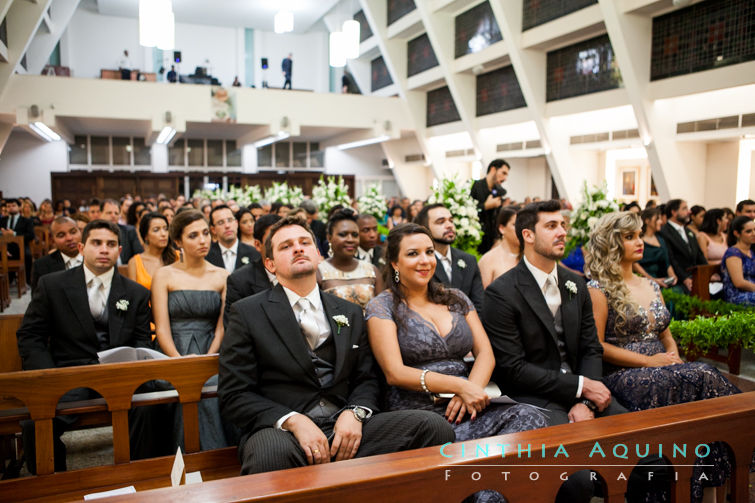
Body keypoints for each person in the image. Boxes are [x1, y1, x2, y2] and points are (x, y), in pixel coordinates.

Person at [218, 215, 454, 475]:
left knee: (433, 428)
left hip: (346, 425)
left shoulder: (349, 312)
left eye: (304, 242)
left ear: (318, 256)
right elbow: (234, 394)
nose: (297, 248)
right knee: (269, 455)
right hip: (283, 432)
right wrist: (292, 421)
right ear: (270, 264)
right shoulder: (248, 312)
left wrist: (356, 413)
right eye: (286, 246)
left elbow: (366, 378)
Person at [585, 211, 741, 503]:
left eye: (639, 234)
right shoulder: (598, 289)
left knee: (702, 409)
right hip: (626, 374)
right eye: (630, 237)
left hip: (664, 370)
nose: (639, 242)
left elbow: (665, 334)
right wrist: (650, 362)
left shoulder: (651, 285)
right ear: (612, 244)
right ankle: (743, 439)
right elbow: (597, 346)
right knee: (705, 375)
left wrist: (673, 357)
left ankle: (709, 482)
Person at [482, 200, 627, 503]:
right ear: (528, 235)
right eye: (551, 226)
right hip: (535, 397)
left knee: (649, 460)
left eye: (563, 225)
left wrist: (585, 396)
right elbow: (513, 369)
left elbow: (590, 347)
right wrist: (579, 388)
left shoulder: (576, 284)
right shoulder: (502, 293)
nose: (562, 232)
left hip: (583, 391)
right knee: (577, 480)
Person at [366, 223, 547, 441]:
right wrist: (460, 386)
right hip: (418, 411)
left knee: (530, 417)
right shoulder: (382, 306)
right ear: (395, 263)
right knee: (447, 440)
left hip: (466, 403)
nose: (425, 260)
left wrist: (470, 391)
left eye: (429, 252)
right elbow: (395, 372)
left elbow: (485, 353)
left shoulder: (455, 298)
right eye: (413, 254)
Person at [17, 220, 163, 471]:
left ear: (119, 251)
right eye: (97, 243)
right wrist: (47, 376)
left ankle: (140, 475)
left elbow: (141, 340)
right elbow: (30, 335)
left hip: (118, 376)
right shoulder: (53, 285)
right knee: (36, 421)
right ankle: (53, 486)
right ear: (83, 247)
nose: (104, 249)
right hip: (68, 375)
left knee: (151, 405)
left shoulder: (136, 293)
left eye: (111, 244)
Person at [151, 210, 229, 450]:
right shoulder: (164, 275)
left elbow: (222, 328)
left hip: (211, 350)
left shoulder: (223, 275)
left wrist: (207, 360)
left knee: (212, 385)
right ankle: (182, 460)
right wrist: (180, 363)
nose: (202, 240)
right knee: (182, 386)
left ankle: (213, 461)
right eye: (193, 235)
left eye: (206, 233)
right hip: (172, 351)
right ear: (178, 242)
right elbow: (162, 329)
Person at [414, 204, 484, 312]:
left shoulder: (469, 260)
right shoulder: (421, 263)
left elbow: (479, 306)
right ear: (425, 229)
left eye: (451, 220)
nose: (449, 225)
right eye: (441, 222)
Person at [318, 209, 383, 310]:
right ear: (329, 237)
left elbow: (382, 312)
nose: (350, 239)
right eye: (343, 235)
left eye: (355, 235)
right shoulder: (319, 272)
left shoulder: (372, 270)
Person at [224, 214, 281, 326]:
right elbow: (235, 332)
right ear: (258, 245)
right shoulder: (239, 282)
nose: (280, 246)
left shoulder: (300, 272)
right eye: (271, 242)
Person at [658, 199, 706, 293]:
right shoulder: (664, 232)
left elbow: (699, 254)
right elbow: (671, 259)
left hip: (695, 276)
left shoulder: (689, 231)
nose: (688, 212)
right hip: (679, 280)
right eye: (684, 209)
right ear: (674, 212)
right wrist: (684, 278)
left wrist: (708, 272)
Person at [127, 212, 177, 291]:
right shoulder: (135, 262)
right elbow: (133, 296)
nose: (163, 234)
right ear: (146, 236)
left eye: (166, 229)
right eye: (156, 230)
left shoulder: (177, 256)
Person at [31, 216, 82, 291]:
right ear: (52, 240)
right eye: (61, 235)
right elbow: (38, 300)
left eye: (73, 232)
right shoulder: (42, 266)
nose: (69, 238)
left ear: (80, 232)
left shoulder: (95, 258)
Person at [205, 205, 260, 273]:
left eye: (230, 220)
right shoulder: (206, 255)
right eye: (221, 222)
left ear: (236, 223)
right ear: (213, 229)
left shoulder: (254, 253)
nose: (227, 226)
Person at [470, 159, 509, 254]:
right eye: (503, 173)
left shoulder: (500, 192)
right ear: (493, 169)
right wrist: (485, 206)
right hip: (475, 238)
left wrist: (498, 238)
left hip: (492, 240)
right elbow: (468, 211)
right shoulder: (475, 186)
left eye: (506, 175)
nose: (505, 178)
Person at [633, 208, 677, 289]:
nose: (661, 222)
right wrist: (653, 280)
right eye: (657, 219)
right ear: (647, 221)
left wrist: (673, 276)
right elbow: (635, 264)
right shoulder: (639, 241)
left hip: (663, 281)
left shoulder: (661, 239)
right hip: (645, 282)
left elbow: (667, 263)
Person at [478, 208, 519, 289]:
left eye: (523, 224)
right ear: (502, 228)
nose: (520, 228)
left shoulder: (530, 256)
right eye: (515, 224)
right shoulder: (488, 260)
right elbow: (482, 296)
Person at [720, 216, 755, 305]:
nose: (753, 234)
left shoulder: (751, 252)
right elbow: (739, 282)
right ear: (737, 233)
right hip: (737, 295)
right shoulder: (733, 253)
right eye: (748, 231)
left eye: (754, 230)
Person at [2, 197, 37, 282]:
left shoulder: (26, 221)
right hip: (5, 248)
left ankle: (27, 280)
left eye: (13, 205)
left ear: (19, 207)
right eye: (8, 206)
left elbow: (31, 235)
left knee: (27, 255)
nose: (11, 208)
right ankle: (6, 281)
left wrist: (14, 234)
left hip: (21, 247)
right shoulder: (2, 220)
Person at [100, 199, 143, 265]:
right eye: (109, 213)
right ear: (101, 214)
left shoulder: (129, 231)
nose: (113, 216)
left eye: (116, 213)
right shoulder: (94, 232)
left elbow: (139, 255)